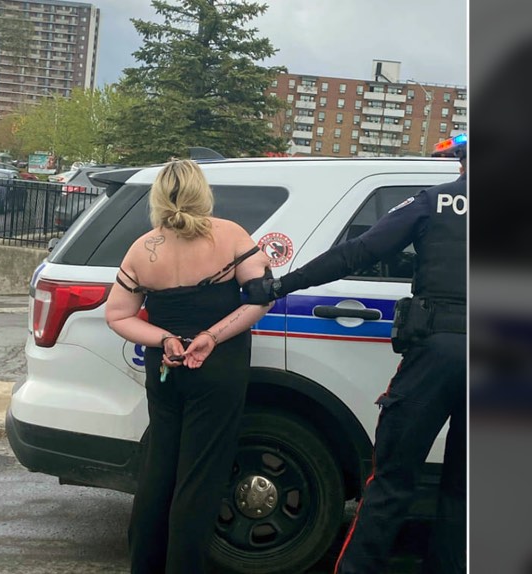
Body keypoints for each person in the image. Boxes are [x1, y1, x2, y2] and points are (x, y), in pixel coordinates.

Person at [244, 139, 467, 574]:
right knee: (466, 490)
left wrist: (278, 287)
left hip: (435, 353)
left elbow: (358, 252)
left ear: (462, 163)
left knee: (391, 481)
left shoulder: (433, 202)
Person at [104, 159, 271, 574]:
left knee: (158, 470)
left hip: (166, 369)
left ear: (159, 198)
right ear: (203, 192)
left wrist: (165, 339)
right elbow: (261, 297)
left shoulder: (142, 249)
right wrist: (211, 336)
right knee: (200, 478)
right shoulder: (230, 235)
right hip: (217, 369)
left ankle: (145, 565)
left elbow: (118, 315)